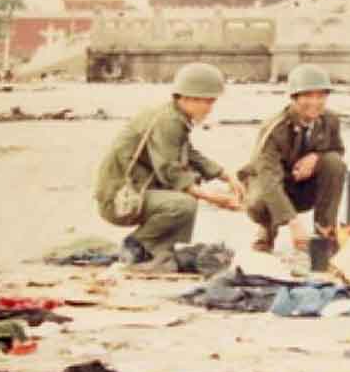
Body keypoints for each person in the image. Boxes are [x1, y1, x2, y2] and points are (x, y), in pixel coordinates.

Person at [94, 62, 245, 272]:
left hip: (132, 193)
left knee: (187, 194)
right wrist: (214, 198)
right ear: (189, 98)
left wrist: (225, 175)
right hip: (119, 200)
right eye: (208, 101)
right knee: (183, 203)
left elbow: (189, 154)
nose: (211, 108)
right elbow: (170, 171)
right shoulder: (168, 121)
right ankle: (137, 245)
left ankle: (159, 250)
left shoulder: (173, 115)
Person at [238, 64, 346, 261]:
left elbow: (338, 150)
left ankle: (324, 232)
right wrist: (293, 223)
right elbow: (268, 178)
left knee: (334, 163)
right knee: (259, 202)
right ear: (294, 98)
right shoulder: (274, 128)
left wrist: (316, 157)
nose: (315, 102)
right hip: (275, 187)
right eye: (307, 96)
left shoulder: (329, 121)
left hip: (304, 188)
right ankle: (267, 227)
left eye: (321, 96)